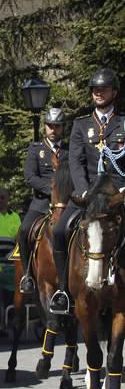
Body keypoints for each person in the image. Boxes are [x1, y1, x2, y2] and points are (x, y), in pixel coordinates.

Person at [50, 68, 125, 314]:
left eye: (103, 89)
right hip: (89, 194)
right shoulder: (81, 125)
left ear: (114, 92)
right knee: (60, 230)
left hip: (117, 193)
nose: (98, 93)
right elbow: (75, 162)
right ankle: (63, 290)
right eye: (95, 89)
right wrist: (82, 191)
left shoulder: (123, 123)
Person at [19, 108, 68, 294]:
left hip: (65, 204)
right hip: (41, 203)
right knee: (24, 230)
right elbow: (30, 176)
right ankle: (26, 275)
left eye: (57, 126)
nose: (53, 129)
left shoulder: (69, 150)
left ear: (62, 128)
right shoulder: (36, 150)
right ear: (45, 127)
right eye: (50, 126)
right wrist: (51, 190)